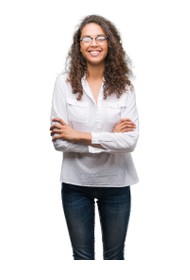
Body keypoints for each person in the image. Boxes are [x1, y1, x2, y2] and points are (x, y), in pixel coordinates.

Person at [49, 15, 139, 260]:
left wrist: (80, 135)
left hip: (116, 183)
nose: (94, 43)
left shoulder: (125, 87)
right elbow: (59, 141)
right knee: (82, 258)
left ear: (110, 43)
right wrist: (110, 139)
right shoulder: (63, 83)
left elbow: (130, 141)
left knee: (115, 257)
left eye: (100, 37)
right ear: (78, 45)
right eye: (86, 38)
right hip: (76, 184)